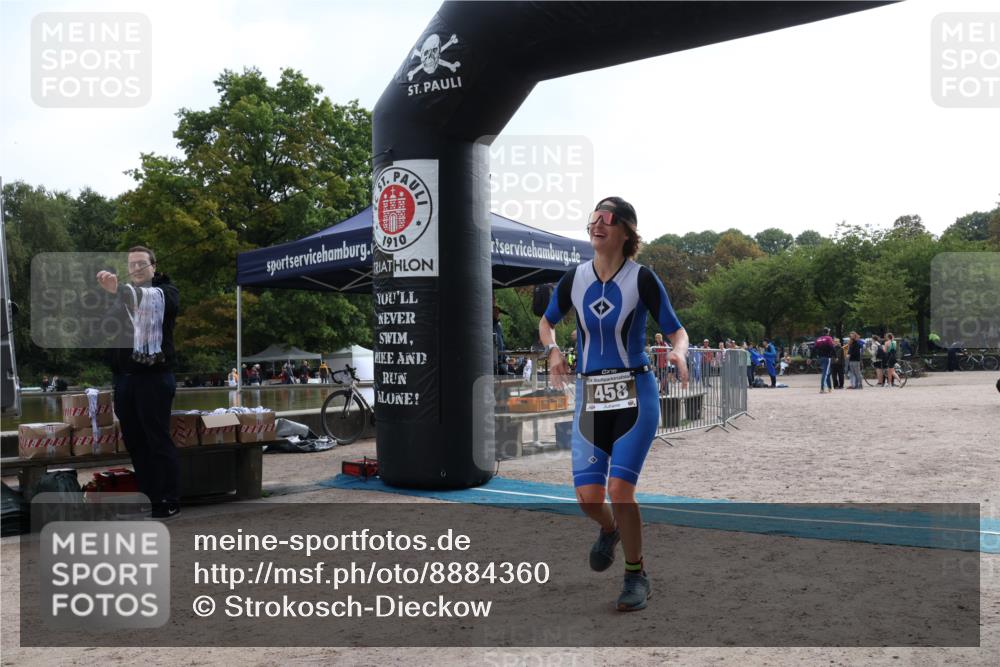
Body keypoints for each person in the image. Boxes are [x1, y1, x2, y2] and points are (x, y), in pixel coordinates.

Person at [538, 196, 689, 612]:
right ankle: (610, 530)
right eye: (593, 218)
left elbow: (676, 331)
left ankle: (636, 574)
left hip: (635, 395)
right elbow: (547, 322)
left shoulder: (642, 279)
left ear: (626, 231)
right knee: (589, 499)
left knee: (620, 490)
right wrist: (553, 350)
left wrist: (679, 353)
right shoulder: (574, 278)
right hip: (590, 398)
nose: (597, 224)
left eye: (606, 218)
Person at [96, 246, 180, 520]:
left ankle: (168, 499)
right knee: (135, 442)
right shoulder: (122, 295)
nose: (137, 268)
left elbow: (150, 301)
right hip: (125, 380)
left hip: (154, 378)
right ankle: (149, 498)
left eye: (142, 263)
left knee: (157, 439)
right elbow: (106, 327)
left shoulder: (166, 291)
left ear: (154, 266)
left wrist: (118, 291)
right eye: (132, 264)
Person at [814, 328, 836, 393]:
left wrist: (811, 357)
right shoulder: (828, 338)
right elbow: (832, 347)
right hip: (827, 357)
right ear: (828, 332)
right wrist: (835, 356)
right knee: (825, 373)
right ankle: (822, 388)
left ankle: (829, 387)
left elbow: (814, 348)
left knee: (827, 372)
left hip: (820, 358)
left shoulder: (819, 339)